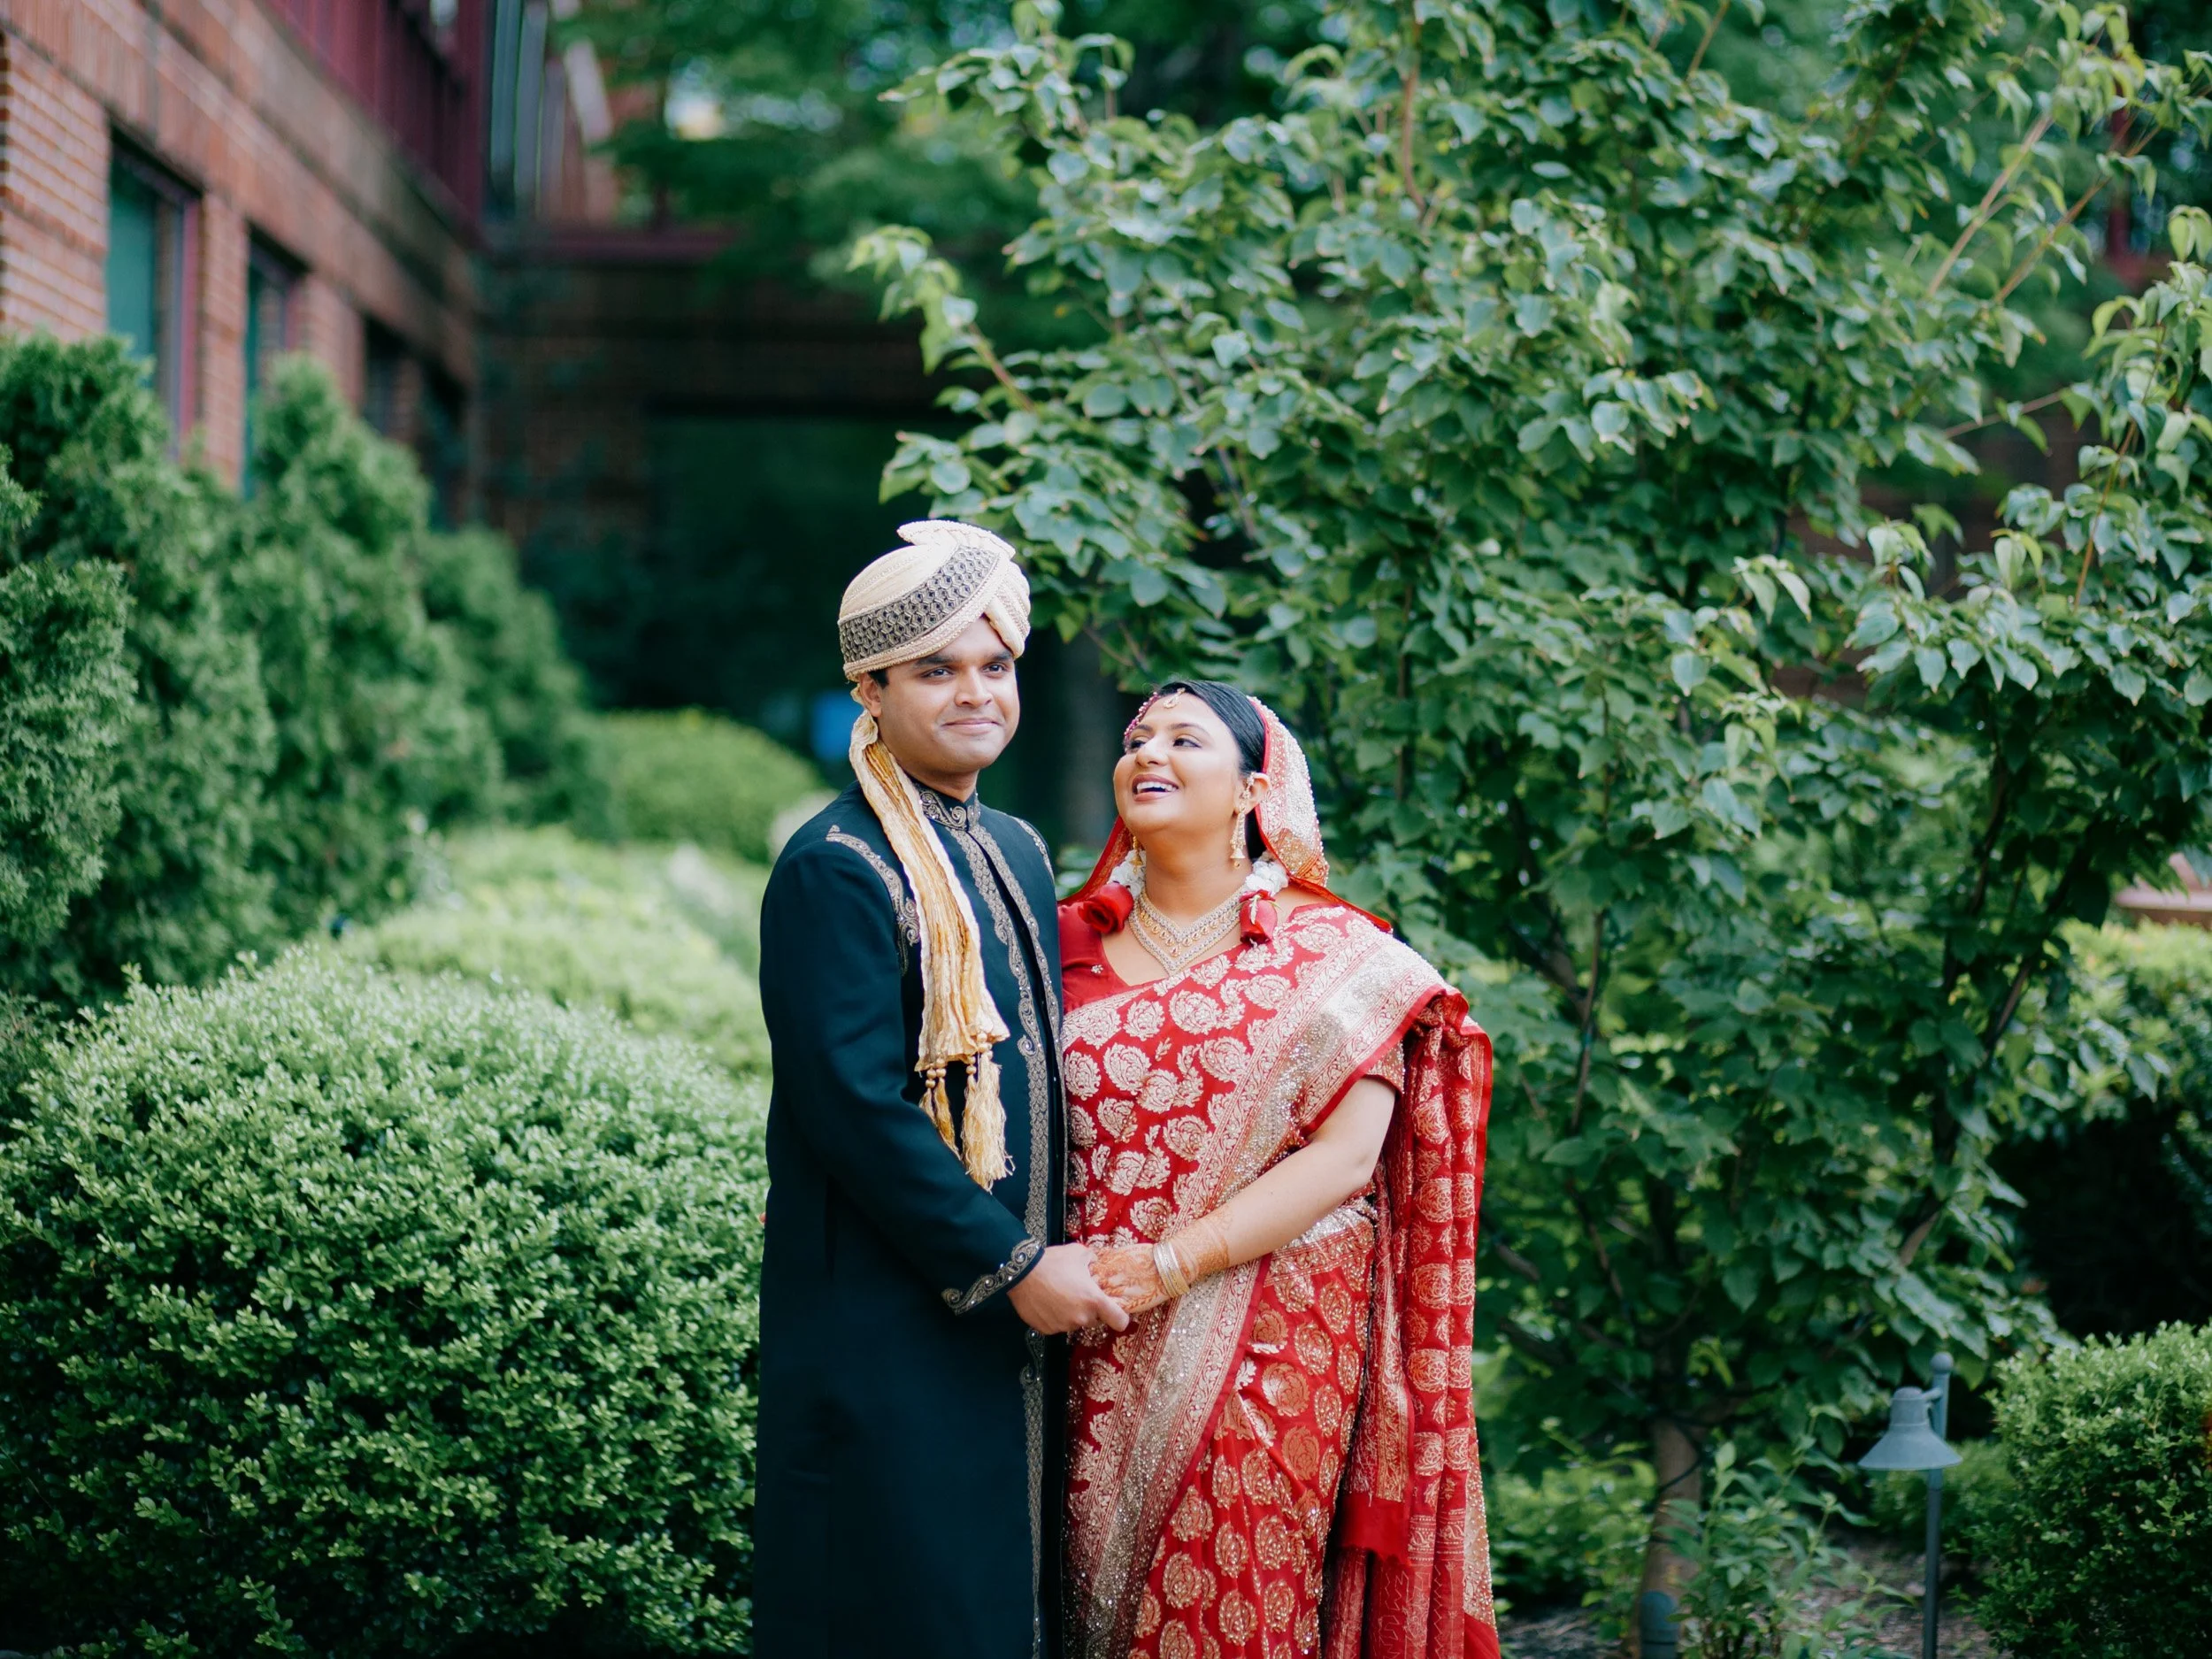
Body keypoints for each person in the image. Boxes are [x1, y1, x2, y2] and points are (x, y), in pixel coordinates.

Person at [1056, 680, 1500, 1659]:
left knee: (1238, 1604)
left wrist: (1172, 1264)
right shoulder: (1060, 942)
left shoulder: (1340, 958)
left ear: (1255, 789)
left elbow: (1348, 1160)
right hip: (1079, 1333)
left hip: (1266, 1338)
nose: (1147, 755)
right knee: (1083, 1604)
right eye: (1135, 740)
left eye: (1183, 739)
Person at [753, 519, 1126, 1659]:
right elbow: (852, 1110)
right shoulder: (836, 865)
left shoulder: (1008, 844)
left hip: (1010, 1317)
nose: (975, 693)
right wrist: (1011, 1266)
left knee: (998, 1607)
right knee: (902, 1604)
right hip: (885, 1319)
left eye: (995, 666)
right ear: (869, 689)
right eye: (935, 670)